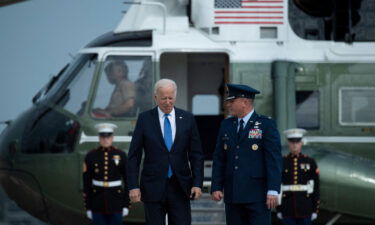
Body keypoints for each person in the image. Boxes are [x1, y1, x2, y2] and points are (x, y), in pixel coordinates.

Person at [127, 78, 204, 225]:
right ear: (156, 97)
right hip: (153, 187)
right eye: (163, 98)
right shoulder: (145, 119)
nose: (168, 102)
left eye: (171, 98)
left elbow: (196, 155)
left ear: (175, 97)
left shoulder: (187, 118)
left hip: (180, 186)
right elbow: (133, 156)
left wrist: (197, 183)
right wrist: (133, 186)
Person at [211, 83, 282, 225]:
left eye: (232, 101)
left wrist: (273, 189)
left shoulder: (266, 125)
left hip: (257, 195)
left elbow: (273, 160)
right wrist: (216, 186)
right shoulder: (226, 125)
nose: (228, 105)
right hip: (233, 195)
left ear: (244, 102)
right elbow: (219, 158)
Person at [82, 123, 130, 225]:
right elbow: (86, 183)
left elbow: (128, 181)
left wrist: (126, 204)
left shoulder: (121, 155)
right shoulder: (91, 155)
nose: (105, 140)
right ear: (99, 138)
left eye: (108, 137)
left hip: (116, 201)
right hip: (97, 202)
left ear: (112, 138)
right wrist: (88, 207)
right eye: (103, 137)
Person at [276, 128, 320, 225]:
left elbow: (315, 187)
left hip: (305, 208)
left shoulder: (310, 162)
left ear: (301, 143)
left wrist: (315, 210)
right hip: (287, 208)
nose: (295, 145)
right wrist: (278, 208)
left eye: (297, 142)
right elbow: (278, 186)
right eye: (292, 142)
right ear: (288, 143)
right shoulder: (282, 162)